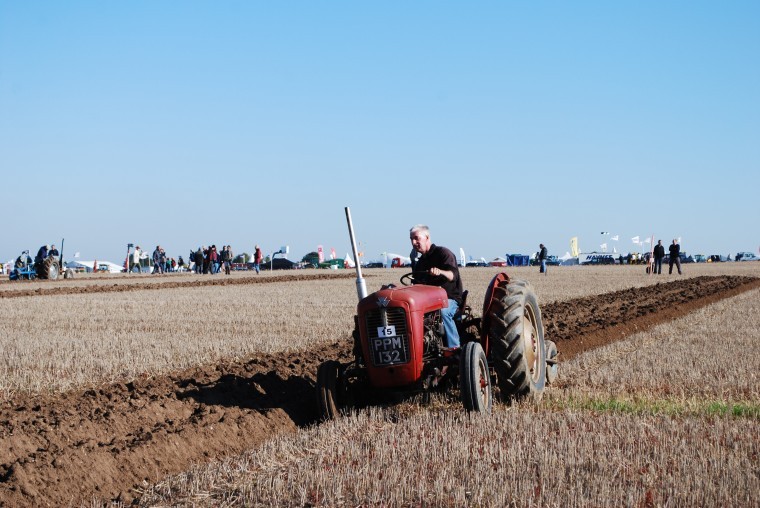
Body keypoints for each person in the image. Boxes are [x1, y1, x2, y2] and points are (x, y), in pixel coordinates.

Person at [409, 224, 463, 349]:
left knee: (442, 312)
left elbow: (452, 275)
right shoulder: (420, 263)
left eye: (417, 238)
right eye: (411, 239)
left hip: (449, 299)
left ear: (427, 237)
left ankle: (454, 348)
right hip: (427, 302)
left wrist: (440, 272)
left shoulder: (443, 253)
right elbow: (415, 285)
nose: (413, 242)